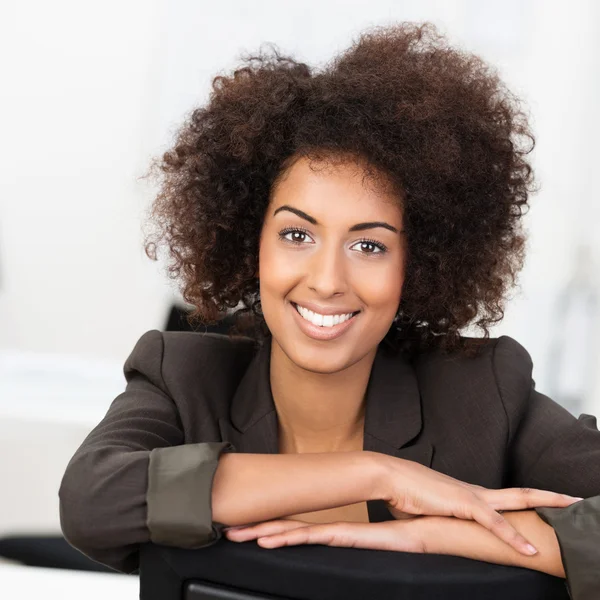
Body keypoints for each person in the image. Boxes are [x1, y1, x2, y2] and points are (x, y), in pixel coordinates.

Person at [59, 22, 600, 599]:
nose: (326, 280)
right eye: (297, 235)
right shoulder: (184, 378)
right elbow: (94, 499)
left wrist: (443, 536)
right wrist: (379, 473)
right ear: (252, 241)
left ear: (416, 264)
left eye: (369, 245)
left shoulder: (482, 396)